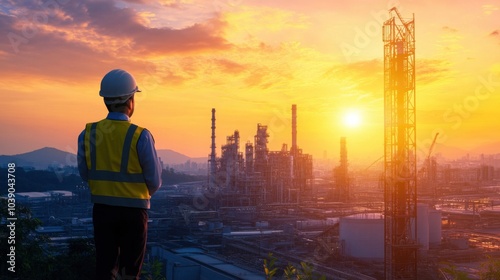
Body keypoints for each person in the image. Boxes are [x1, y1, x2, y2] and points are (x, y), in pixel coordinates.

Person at [77, 69, 162, 280]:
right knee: (129, 273)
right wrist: (135, 194)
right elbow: (154, 180)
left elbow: (85, 173)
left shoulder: (88, 134)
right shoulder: (140, 136)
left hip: (103, 211)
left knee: (105, 268)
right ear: (130, 100)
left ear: (105, 100)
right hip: (134, 213)